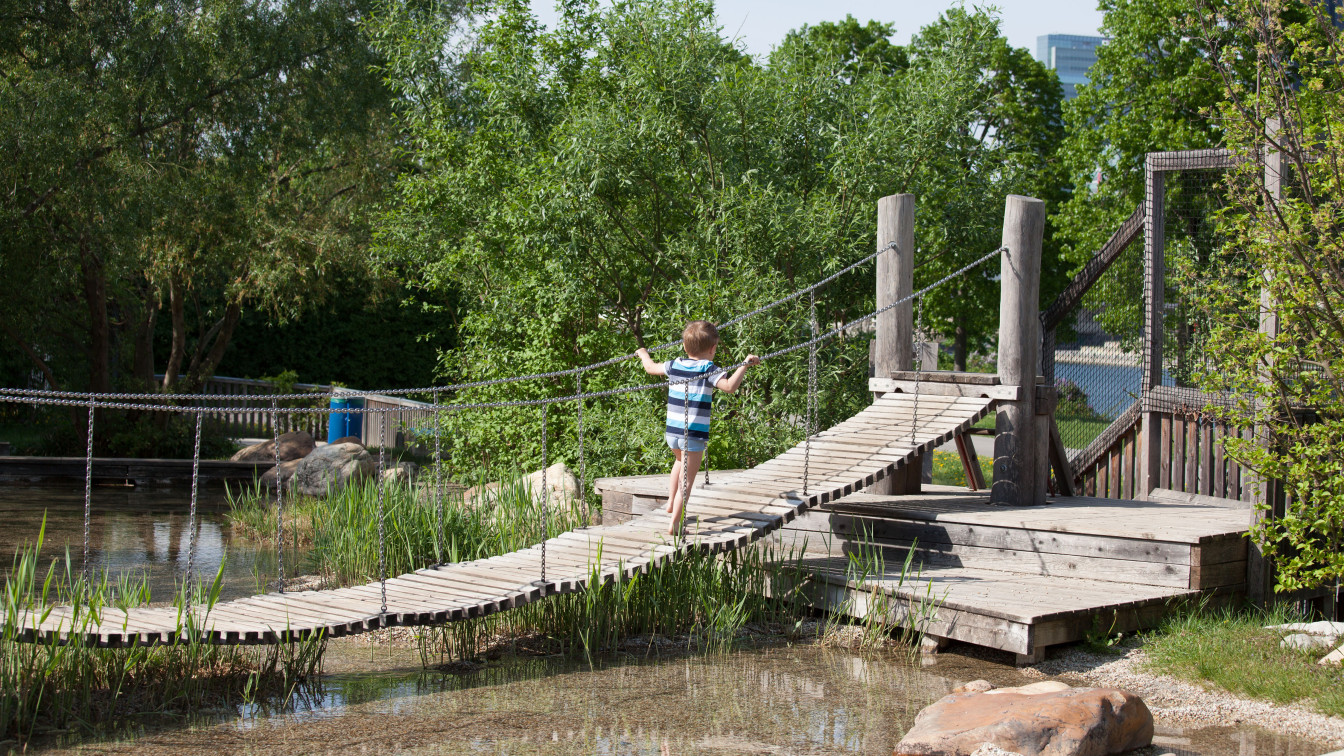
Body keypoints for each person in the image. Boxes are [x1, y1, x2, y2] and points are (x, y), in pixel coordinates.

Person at [636, 320, 760, 536]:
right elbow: (730, 387)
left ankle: (670, 504)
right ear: (713, 349)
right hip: (692, 434)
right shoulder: (708, 369)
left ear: (685, 347)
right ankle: (676, 522)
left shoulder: (674, 364)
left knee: (678, 461)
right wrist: (745, 365)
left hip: (672, 432)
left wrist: (643, 353)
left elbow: (649, 367)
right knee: (688, 480)